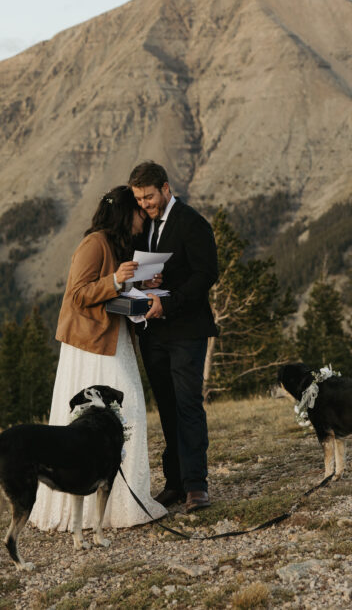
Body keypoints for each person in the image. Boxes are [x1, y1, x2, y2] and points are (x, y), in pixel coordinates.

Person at [29, 186, 168, 531]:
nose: (143, 216)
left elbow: (115, 291)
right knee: (117, 412)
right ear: (124, 213)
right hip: (91, 346)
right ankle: (96, 507)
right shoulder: (94, 244)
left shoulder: (116, 244)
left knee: (127, 413)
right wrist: (114, 279)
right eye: (137, 210)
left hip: (113, 338)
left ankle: (121, 504)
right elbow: (77, 295)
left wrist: (141, 281)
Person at [128, 161, 219, 513]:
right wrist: (143, 284)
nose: (145, 205)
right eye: (139, 199)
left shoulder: (192, 223)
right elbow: (146, 270)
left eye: (149, 197)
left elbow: (206, 273)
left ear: (165, 188)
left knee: (187, 405)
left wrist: (170, 304)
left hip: (186, 330)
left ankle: (197, 486)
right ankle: (176, 483)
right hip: (154, 334)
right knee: (166, 407)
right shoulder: (146, 227)